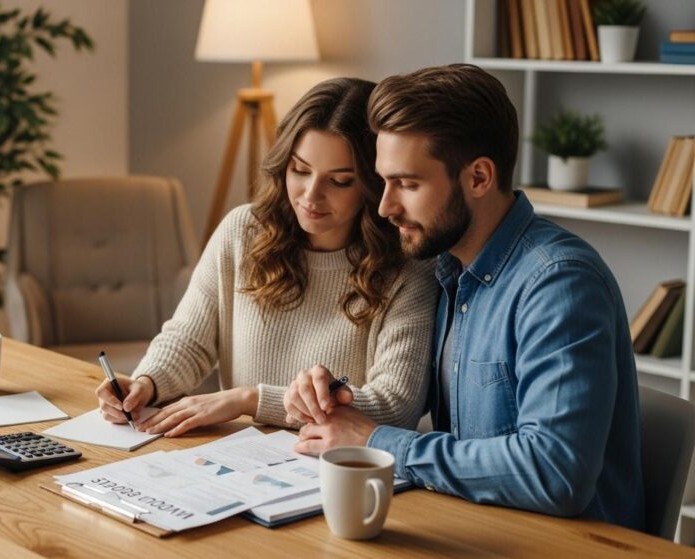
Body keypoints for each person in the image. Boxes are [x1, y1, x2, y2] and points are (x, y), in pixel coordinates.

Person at [288, 64, 644, 530]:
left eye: (408, 184)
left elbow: (556, 473)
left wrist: (379, 440)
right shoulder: (447, 270)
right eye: (383, 181)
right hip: (477, 530)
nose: (385, 207)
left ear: (478, 177)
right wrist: (338, 401)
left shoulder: (559, 284)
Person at [95, 77, 438, 437]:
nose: (311, 195)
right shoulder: (243, 231)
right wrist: (146, 384)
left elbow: (397, 406)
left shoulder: (408, 266)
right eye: (300, 170)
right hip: (238, 460)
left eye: (339, 181)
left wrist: (252, 400)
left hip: (333, 470)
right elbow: (188, 340)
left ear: (373, 183)